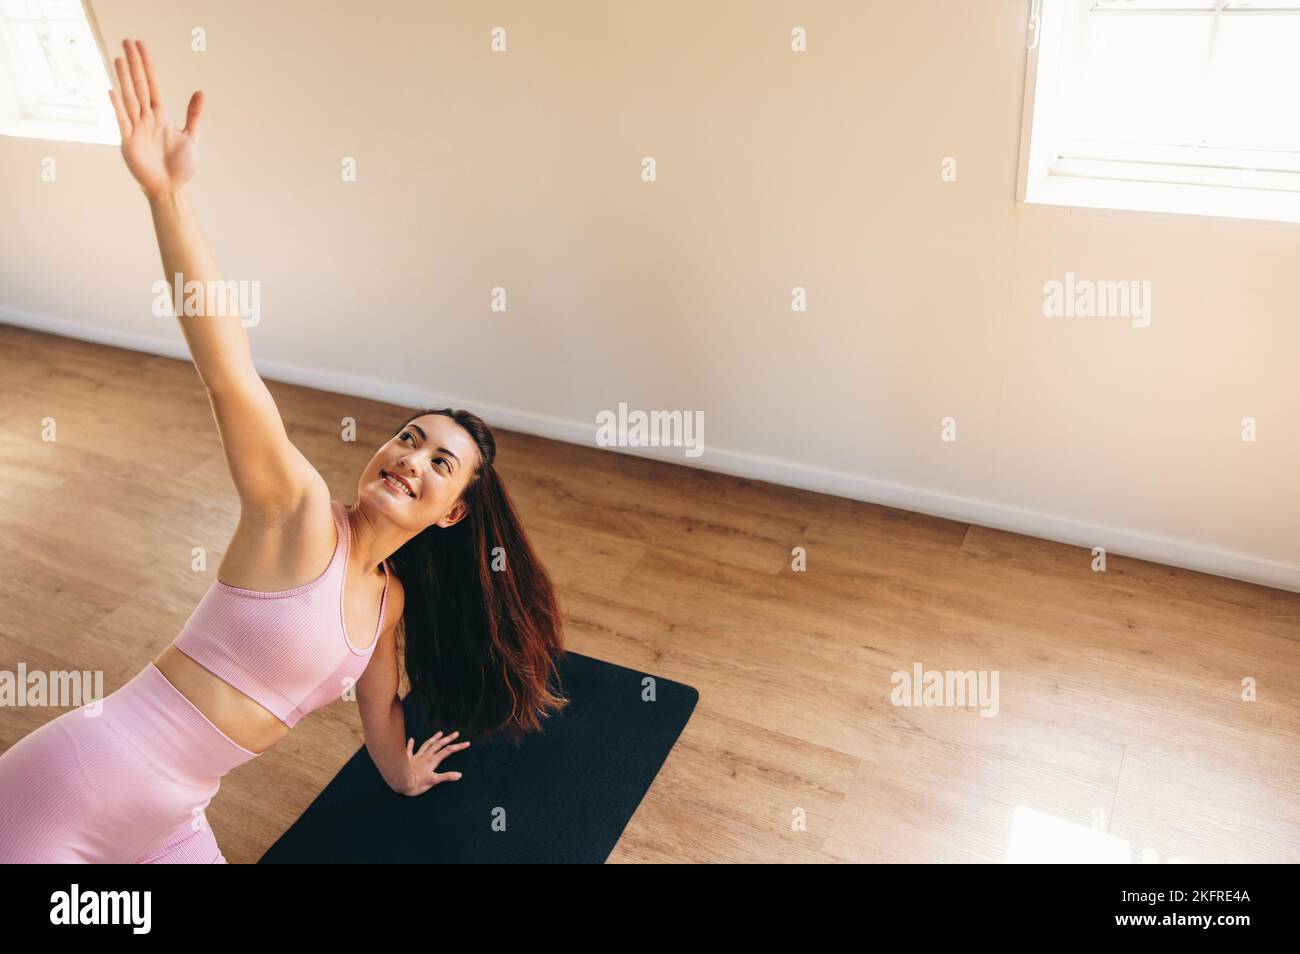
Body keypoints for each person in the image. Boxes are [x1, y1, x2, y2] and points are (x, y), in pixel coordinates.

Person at [0, 39, 566, 863]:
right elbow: (228, 372)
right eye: (409, 438)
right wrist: (167, 197)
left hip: (172, 820)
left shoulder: (387, 605)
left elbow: (378, 716)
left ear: (455, 515)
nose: (411, 458)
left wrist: (403, 776)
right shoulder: (296, 515)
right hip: (74, 784)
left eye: (441, 462)